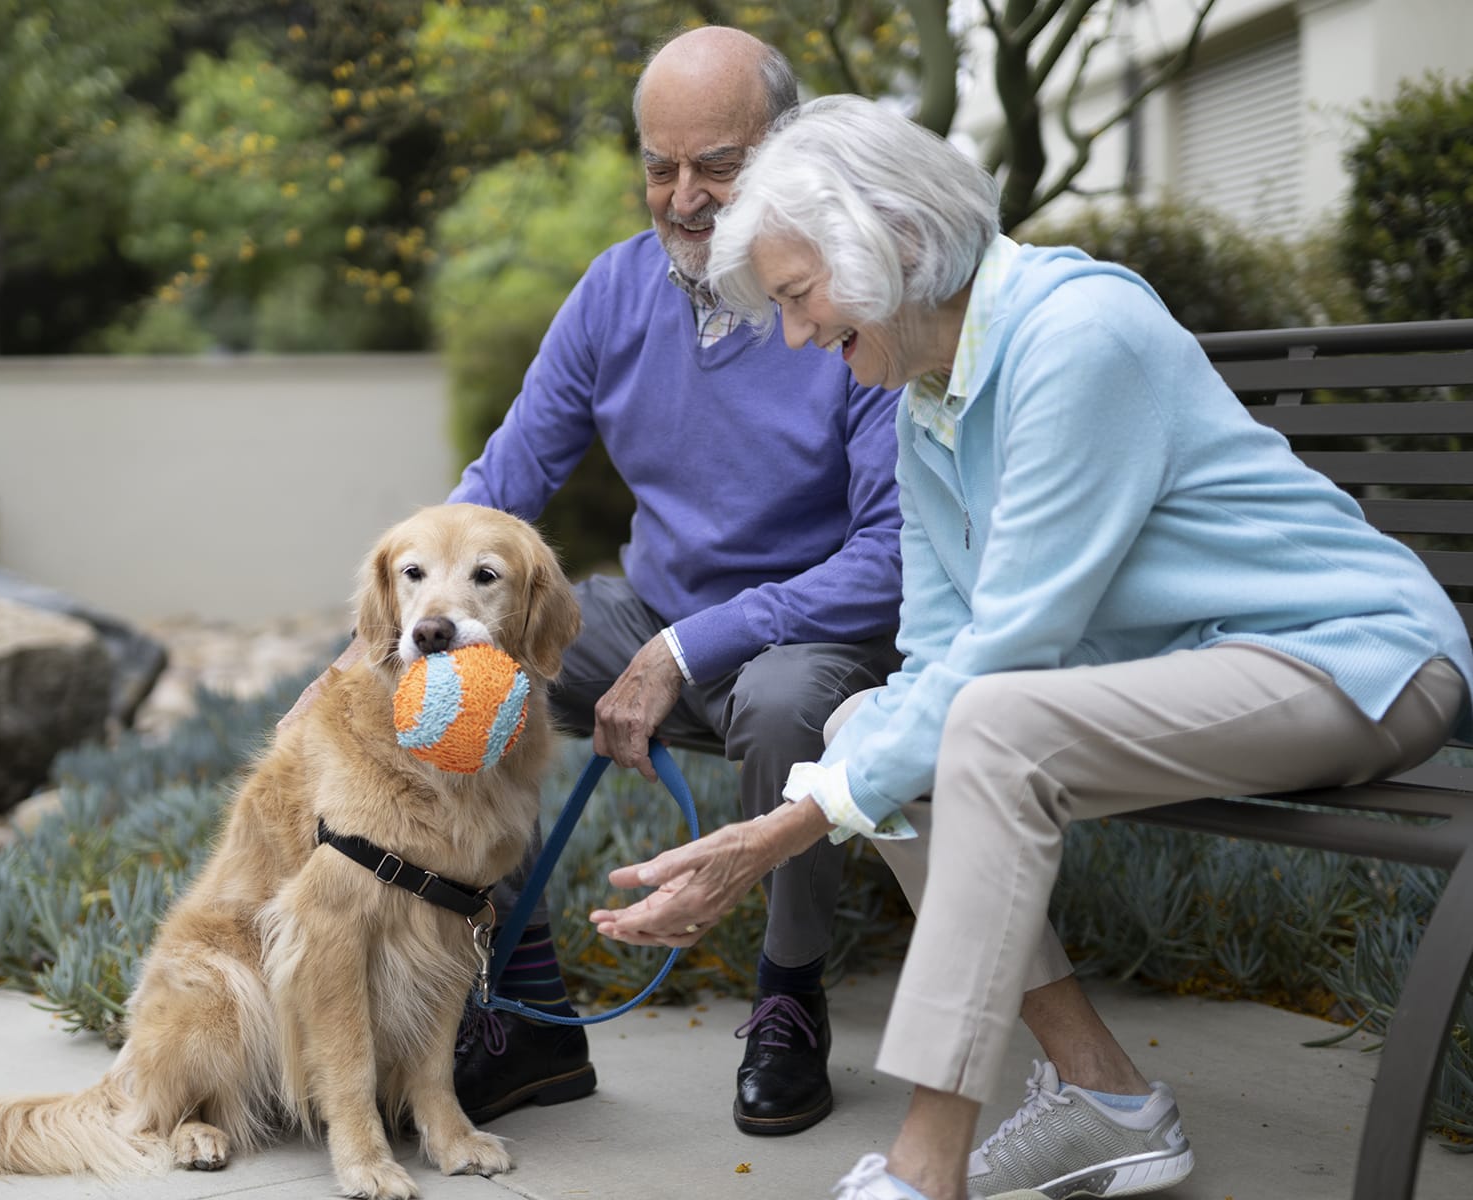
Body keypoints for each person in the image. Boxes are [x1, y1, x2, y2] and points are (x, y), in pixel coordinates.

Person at [589, 94, 1473, 1200]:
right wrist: (816, 802)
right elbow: (936, 656)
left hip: (1354, 661)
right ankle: (1102, 1093)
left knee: (981, 724)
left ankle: (928, 1165)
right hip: (1182, 680)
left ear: (897, 247)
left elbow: (1012, 648)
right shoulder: (924, 402)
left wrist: (772, 832)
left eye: (803, 297)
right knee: (876, 722)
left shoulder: (1077, 333)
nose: (803, 336)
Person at [442, 27, 907, 1136]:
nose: (685, 197)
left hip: (812, 633)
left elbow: (890, 560)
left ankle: (789, 1001)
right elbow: (499, 492)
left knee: (792, 704)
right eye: (662, 165)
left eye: (718, 165)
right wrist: (406, 625)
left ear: (788, 152)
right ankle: (517, 1004)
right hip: (649, 613)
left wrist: (686, 649)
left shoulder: (851, 300)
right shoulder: (612, 291)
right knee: (470, 658)